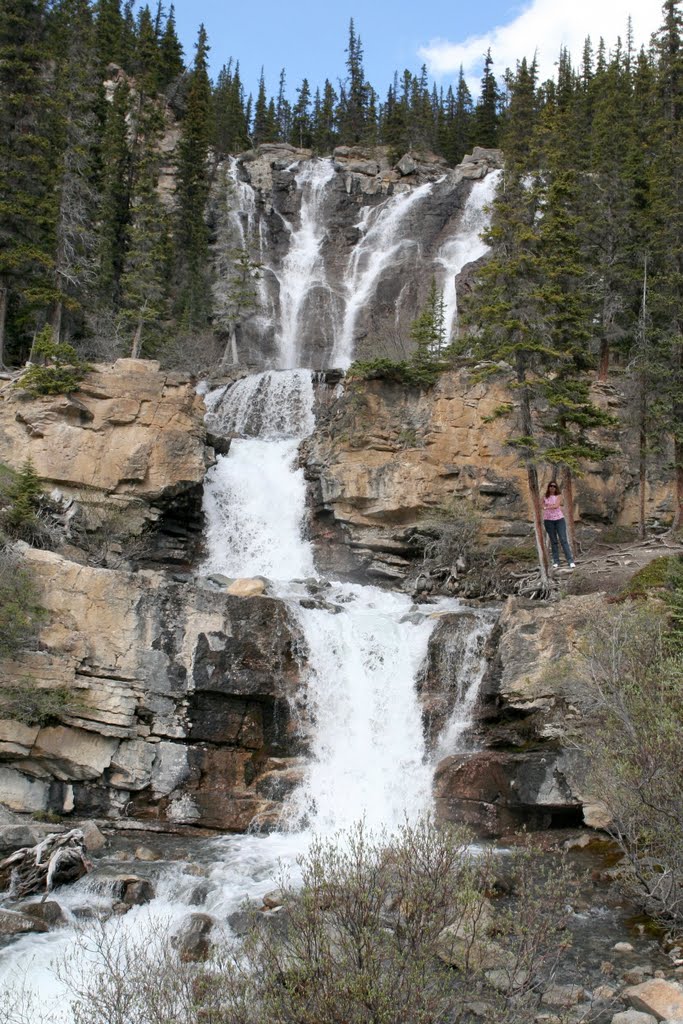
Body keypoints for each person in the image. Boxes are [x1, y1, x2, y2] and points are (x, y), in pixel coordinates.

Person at [542, 480, 576, 569]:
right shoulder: (544, 496)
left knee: (563, 539)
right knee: (553, 541)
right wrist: (548, 506)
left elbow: (556, 506)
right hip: (548, 521)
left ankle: (570, 561)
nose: (552, 488)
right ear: (548, 487)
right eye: (551, 486)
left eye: (554, 486)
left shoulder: (558, 496)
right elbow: (541, 505)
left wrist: (547, 506)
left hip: (559, 520)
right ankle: (556, 561)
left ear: (556, 488)